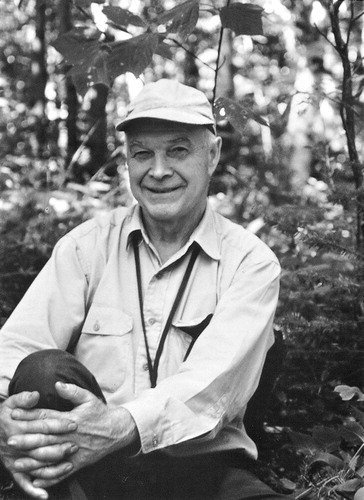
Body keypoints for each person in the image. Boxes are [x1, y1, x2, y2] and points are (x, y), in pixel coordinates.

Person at [0, 79, 287, 500]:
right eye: (142, 154)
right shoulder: (86, 247)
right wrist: (6, 422)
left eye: (177, 150)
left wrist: (118, 426)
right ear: (127, 162)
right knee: (41, 372)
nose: (157, 171)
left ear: (212, 155)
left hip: (200, 468)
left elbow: (213, 386)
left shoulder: (250, 262)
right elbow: (16, 346)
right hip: (88, 464)